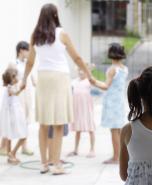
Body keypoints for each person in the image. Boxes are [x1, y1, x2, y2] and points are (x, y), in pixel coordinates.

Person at [21, 3, 93, 175]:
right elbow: (76, 57)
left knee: (44, 124)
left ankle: (44, 164)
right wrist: (88, 73)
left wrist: (24, 79)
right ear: (55, 15)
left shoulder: (35, 35)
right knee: (59, 124)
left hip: (44, 78)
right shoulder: (62, 34)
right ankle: (55, 165)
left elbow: (30, 61)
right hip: (60, 78)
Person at [93, 43, 128, 164]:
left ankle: (115, 157)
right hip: (119, 102)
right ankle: (118, 155)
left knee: (114, 130)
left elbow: (106, 86)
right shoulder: (124, 68)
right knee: (117, 129)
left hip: (112, 102)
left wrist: (93, 81)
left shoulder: (112, 69)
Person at [0, 67, 27, 165]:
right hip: (13, 116)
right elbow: (14, 93)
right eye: (14, 77)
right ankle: (12, 153)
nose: (17, 78)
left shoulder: (12, 86)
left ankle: (10, 155)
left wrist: (20, 87)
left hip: (14, 114)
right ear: (10, 79)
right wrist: (21, 89)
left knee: (10, 136)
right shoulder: (9, 88)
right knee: (23, 135)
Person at [67, 69, 96, 158]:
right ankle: (76, 149)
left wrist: (90, 72)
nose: (81, 72)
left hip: (87, 108)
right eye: (79, 70)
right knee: (77, 129)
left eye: (82, 70)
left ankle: (92, 149)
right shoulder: (74, 82)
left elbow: (96, 88)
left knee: (90, 128)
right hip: (77, 109)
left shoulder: (89, 81)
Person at [16, 41, 36, 156]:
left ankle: (24, 146)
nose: (29, 53)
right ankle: (6, 146)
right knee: (18, 121)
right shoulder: (15, 64)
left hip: (28, 96)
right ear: (21, 50)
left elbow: (34, 81)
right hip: (19, 96)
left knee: (26, 121)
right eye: (27, 50)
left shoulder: (28, 64)